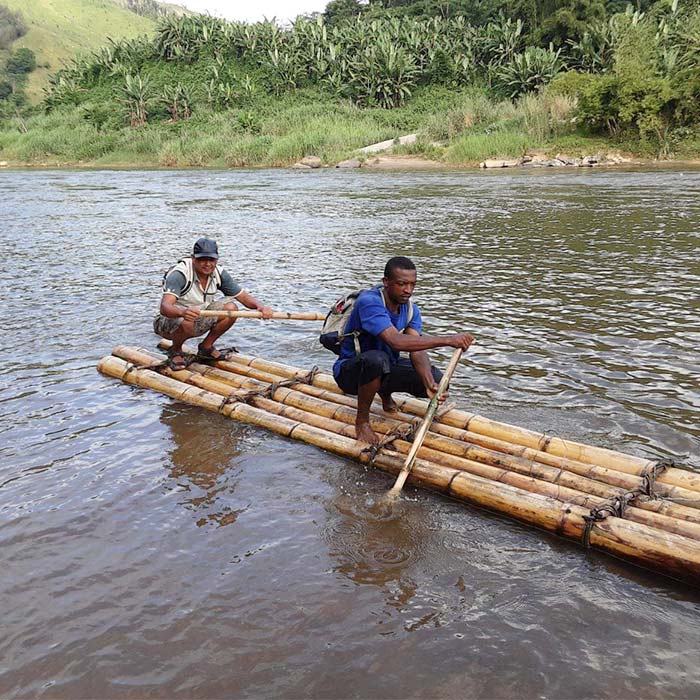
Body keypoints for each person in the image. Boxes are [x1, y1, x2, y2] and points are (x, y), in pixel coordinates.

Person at [333, 256, 474, 445]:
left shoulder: (410, 310)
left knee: (440, 381)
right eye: (401, 284)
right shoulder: (370, 302)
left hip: (383, 368)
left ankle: (385, 392)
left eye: (412, 285)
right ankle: (362, 422)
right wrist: (448, 340)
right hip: (350, 374)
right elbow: (396, 341)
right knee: (377, 360)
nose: (408, 290)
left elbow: (416, 348)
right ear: (386, 282)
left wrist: (429, 383)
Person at [154, 237, 273, 369]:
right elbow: (165, 307)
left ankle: (206, 347)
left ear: (217, 260)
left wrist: (260, 307)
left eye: (211, 260)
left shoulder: (218, 273)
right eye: (202, 260)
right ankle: (176, 350)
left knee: (231, 308)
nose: (207, 264)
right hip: (171, 321)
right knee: (186, 321)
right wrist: (183, 312)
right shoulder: (180, 274)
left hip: (199, 316)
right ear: (193, 258)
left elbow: (243, 297)